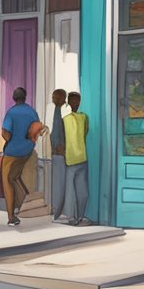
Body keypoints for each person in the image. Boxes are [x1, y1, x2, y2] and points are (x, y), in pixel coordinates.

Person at [0, 86, 39, 226]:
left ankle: (11, 217)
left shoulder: (11, 113)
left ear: (14, 98)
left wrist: (10, 140)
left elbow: (5, 134)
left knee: (7, 181)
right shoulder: (32, 112)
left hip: (12, 152)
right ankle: (21, 207)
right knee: (15, 178)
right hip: (27, 151)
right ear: (25, 97)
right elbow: (36, 130)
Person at [60, 91, 91, 226]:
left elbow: (85, 132)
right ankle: (71, 217)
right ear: (68, 102)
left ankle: (79, 217)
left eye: (77, 101)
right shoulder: (65, 119)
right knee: (71, 192)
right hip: (71, 159)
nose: (75, 103)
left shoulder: (83, 117)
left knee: (81, 192)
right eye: (73, 101)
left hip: (80, 158)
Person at [49, 89, 70, 223]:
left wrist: (62, 148)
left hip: (63, 153)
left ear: (63, 99)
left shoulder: (66, 112)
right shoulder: (53, 110)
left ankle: (61, 211)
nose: (54, 99)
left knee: (61, 183)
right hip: (54, 153)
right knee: (57, 184)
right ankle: (57, 211)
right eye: (53, 97)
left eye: (57, 97)